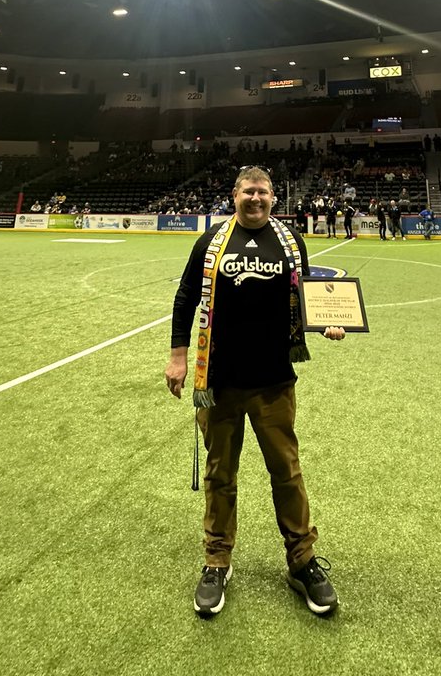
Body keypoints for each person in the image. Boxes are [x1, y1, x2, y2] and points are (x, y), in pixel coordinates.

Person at [165, 166, 345, 618]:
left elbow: (303, 298)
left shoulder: (289, 241)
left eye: (263, 191)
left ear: (272, 197)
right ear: (235, 195)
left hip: (273, 383)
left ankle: (302, 561)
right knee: (220, 475)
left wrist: (325, 323)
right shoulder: (210, 242)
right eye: (248, 191)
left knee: (287, 473)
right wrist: (178, 355)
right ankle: (216, 561)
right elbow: (187, 296)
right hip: (219, 382)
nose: (256, 198)